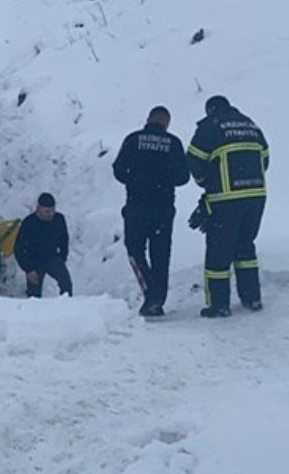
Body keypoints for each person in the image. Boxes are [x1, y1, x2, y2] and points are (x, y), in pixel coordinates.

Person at [187, 96, 269, 318]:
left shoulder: (210, 126)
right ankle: (252, 297)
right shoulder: (250, 124)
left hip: (226, 198)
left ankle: (219, 304)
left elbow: (193, 160)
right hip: (256, 197)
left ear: (211, 110)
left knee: (218, 250)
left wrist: (206, 182)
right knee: (245, 246)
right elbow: (265, 159)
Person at [111, 106, 191, 317]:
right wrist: (164, 178)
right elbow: (183, 177)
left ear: (148, 119)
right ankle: (158, 300)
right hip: (163, 207)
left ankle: (151, 293)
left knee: (134, 249)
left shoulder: (133, 139)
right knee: (161, 254)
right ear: (166, 123)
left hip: (137, 204)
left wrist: (135, 179)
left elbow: (118, 169)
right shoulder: (173, 143)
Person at [14, 193, 72, 298]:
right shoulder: (29, 223)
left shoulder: (59, 219)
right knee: (34, 296)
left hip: (52, 257)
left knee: (66, 283)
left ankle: (66, 307)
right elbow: (18, 248)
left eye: (52, 210)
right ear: (38, 209)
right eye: (46, 211)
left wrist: (62, 258)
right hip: (33, 261)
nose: (50, 214)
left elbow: (64, 240)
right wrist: (28, 269)